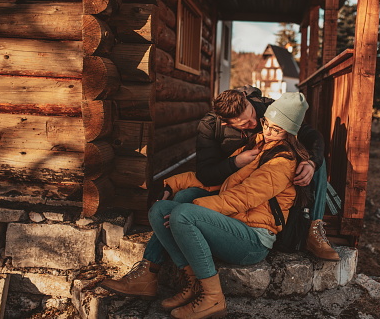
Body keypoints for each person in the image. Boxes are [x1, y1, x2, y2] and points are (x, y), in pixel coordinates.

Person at [100, 87, 339, 299]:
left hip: (252, 221)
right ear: (226, 123)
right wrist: (173, 182)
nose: (256, 125)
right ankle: (161, 275)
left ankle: (314, 227)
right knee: (167, 206)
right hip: (228, 190)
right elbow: (207, 175)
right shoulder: (219, 130)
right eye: (247, 124)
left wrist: (312, 163)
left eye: (256, 118)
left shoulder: (271, 123)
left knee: (183, 209)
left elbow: (310, 138)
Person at [148, 92, 315, 318]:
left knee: (183, 214)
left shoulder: (282, 161)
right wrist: (172, 184)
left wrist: (193, 209)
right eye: (266, 123)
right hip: (233, 225)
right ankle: (194, 283)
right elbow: (219, 180)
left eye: (276, 129)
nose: (266, 131)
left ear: (290, 133)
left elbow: (242, 197)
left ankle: (213, 298)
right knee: (159, 210)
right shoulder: (258, 145)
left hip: (253, 240)